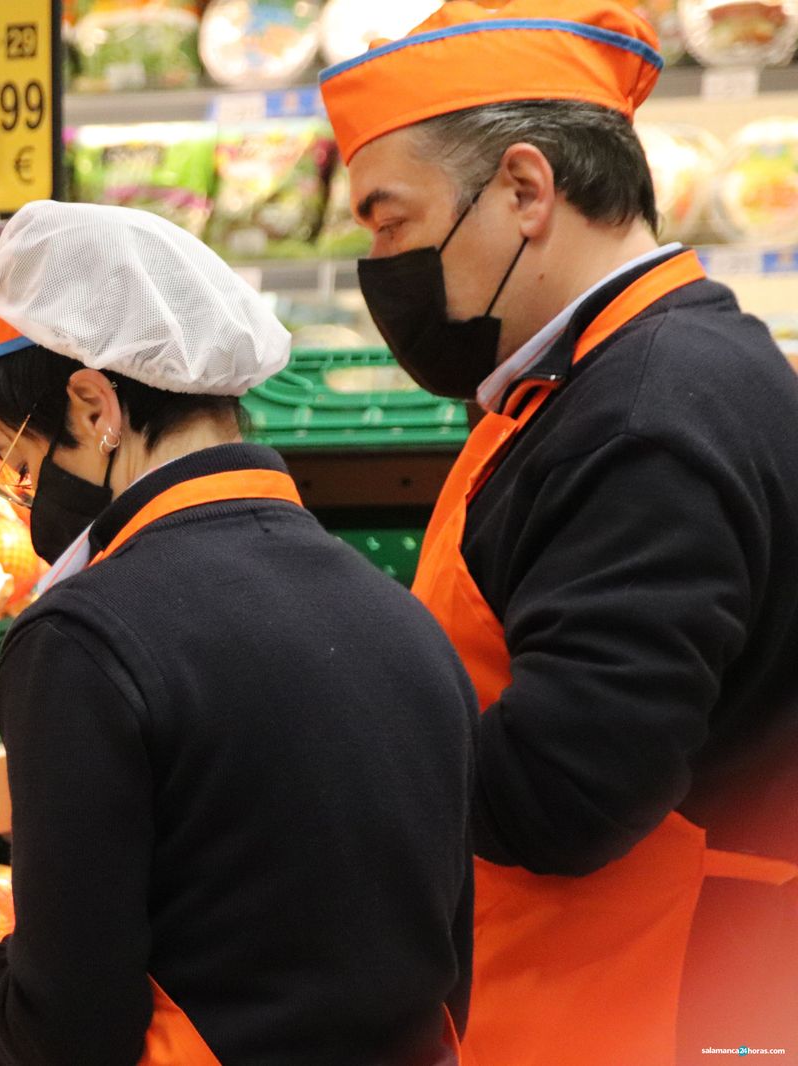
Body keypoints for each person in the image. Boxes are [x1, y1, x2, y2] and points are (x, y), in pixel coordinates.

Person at [0, 201, 478, 1065]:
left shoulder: (84, 641)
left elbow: (73, 1029)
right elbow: (443, 966)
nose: (28, 504)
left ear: (94, 405)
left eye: (24, 470)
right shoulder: (401, 618)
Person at [319, 1, 798, 1062]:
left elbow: (568, 792)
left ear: (526, 191)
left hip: (654, 1003)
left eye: (390, 221)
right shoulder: (614, 376)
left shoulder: (644, 413)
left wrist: (327, 739)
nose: (379, 262)